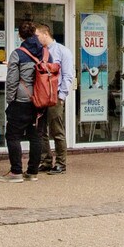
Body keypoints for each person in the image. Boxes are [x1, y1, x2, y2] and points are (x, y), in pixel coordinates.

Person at [0, 18, 51, 183]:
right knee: (36, 136)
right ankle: (32, 172)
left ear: (20, 36)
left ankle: (16, 172)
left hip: (22, 101)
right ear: (35, 33)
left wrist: (10, 100)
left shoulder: (18, 54)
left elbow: (12, 80)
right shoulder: (46, 53)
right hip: (41, 101)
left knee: (13, 135)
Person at [38, 23, 74, 176]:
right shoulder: (39, 52)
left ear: (46, 34)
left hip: (55, 96)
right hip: (41, 96)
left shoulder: (62, 51)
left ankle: (60, 163)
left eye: (38, 35)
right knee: (41, 130)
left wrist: (61, 96)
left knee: (56, 130)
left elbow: (68, 75)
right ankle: (45, 161)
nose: (36, 39)